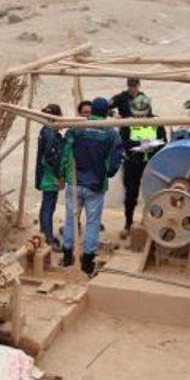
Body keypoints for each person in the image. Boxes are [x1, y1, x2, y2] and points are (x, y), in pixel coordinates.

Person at [60, 97, 123, 275]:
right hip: (95, 185)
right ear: (106, 112)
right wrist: (108, 173)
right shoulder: (111, 133)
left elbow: (66, 151)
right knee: (93, 222)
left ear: (92, 110)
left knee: (71, 219)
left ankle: (67, 256)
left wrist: (65, 174)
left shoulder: (77, 128)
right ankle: (87, 262)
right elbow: (115, 159)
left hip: (74, 182)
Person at [119, 94, 166, 239]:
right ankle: (128, 223)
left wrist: (152, 146)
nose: (140, 118)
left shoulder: (157, 122)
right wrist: (140, 145)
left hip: (152, 164)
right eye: (137, 115)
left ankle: (154, 222)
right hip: (133, 163)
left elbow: (163, 141)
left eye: (143, 115)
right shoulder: (127, 124)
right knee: (130, 195)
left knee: (155, 194)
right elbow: (123, 143)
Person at [34, 104, 63, 250]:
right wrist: (59, 176)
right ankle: (48, 238)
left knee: (47, 205)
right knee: (48, 206)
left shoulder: (45, 130)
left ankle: (44, 233)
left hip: (45, 174)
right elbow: (51, 158)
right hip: (49, 175)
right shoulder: (50, 133)